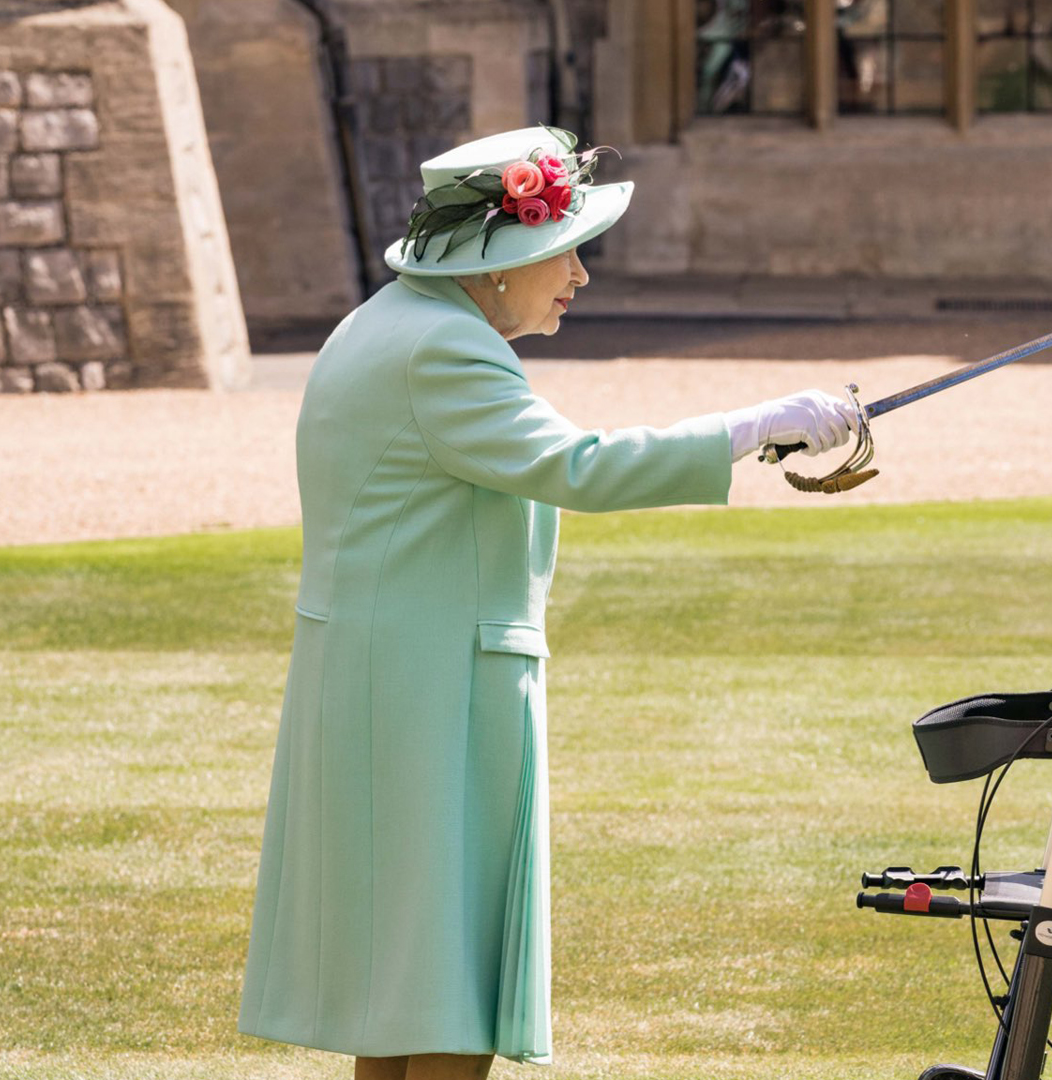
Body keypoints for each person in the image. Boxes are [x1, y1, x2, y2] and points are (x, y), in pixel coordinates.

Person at [236, 127, 861, 1080]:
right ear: (496, 263)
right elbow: (581, 467)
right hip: (429, 690)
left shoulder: (388, 322)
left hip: (392, 679)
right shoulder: (442, 348)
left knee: (406, 983)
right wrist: (755, 424)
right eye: (559, 250)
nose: (576, 275)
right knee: (452, 984)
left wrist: (762, 437)